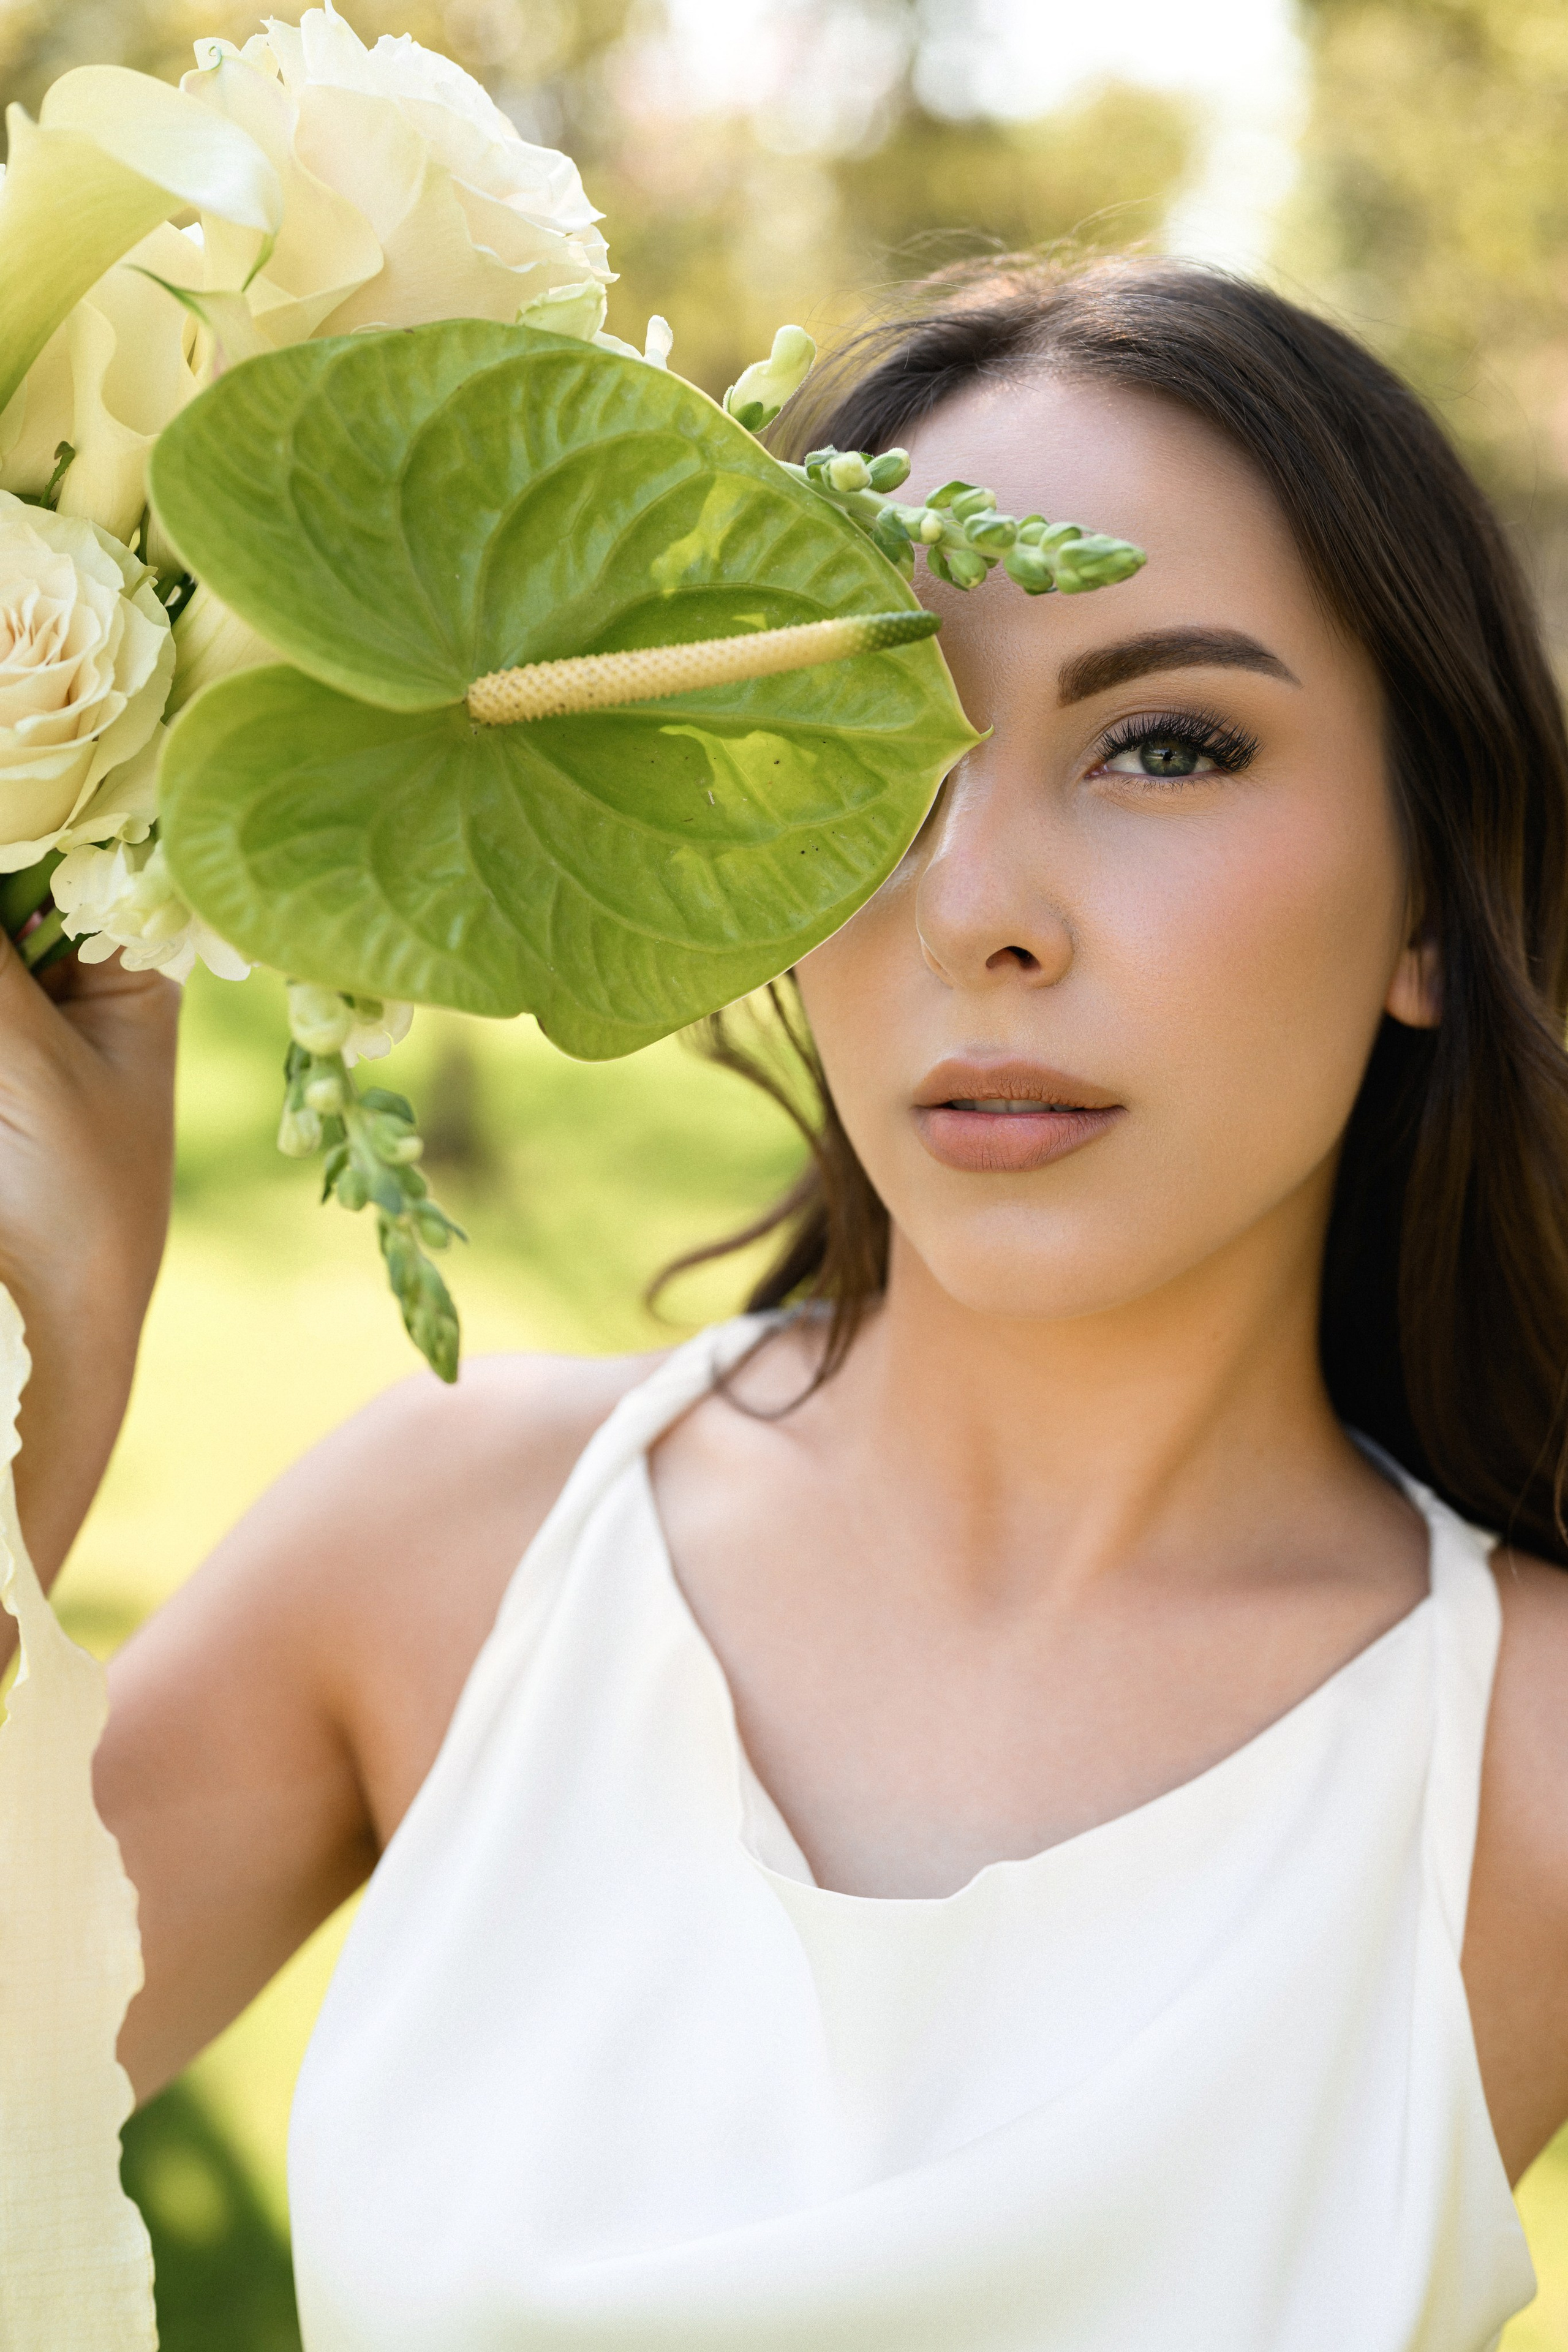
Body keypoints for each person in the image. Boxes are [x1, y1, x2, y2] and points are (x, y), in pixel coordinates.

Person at [7, 254, 1568, 2350]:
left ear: (1431, 901)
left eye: (1169, 745)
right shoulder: (442, 1566)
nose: (984, 911)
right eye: (868, 747)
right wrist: (61, 1349)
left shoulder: (1522, 1770)